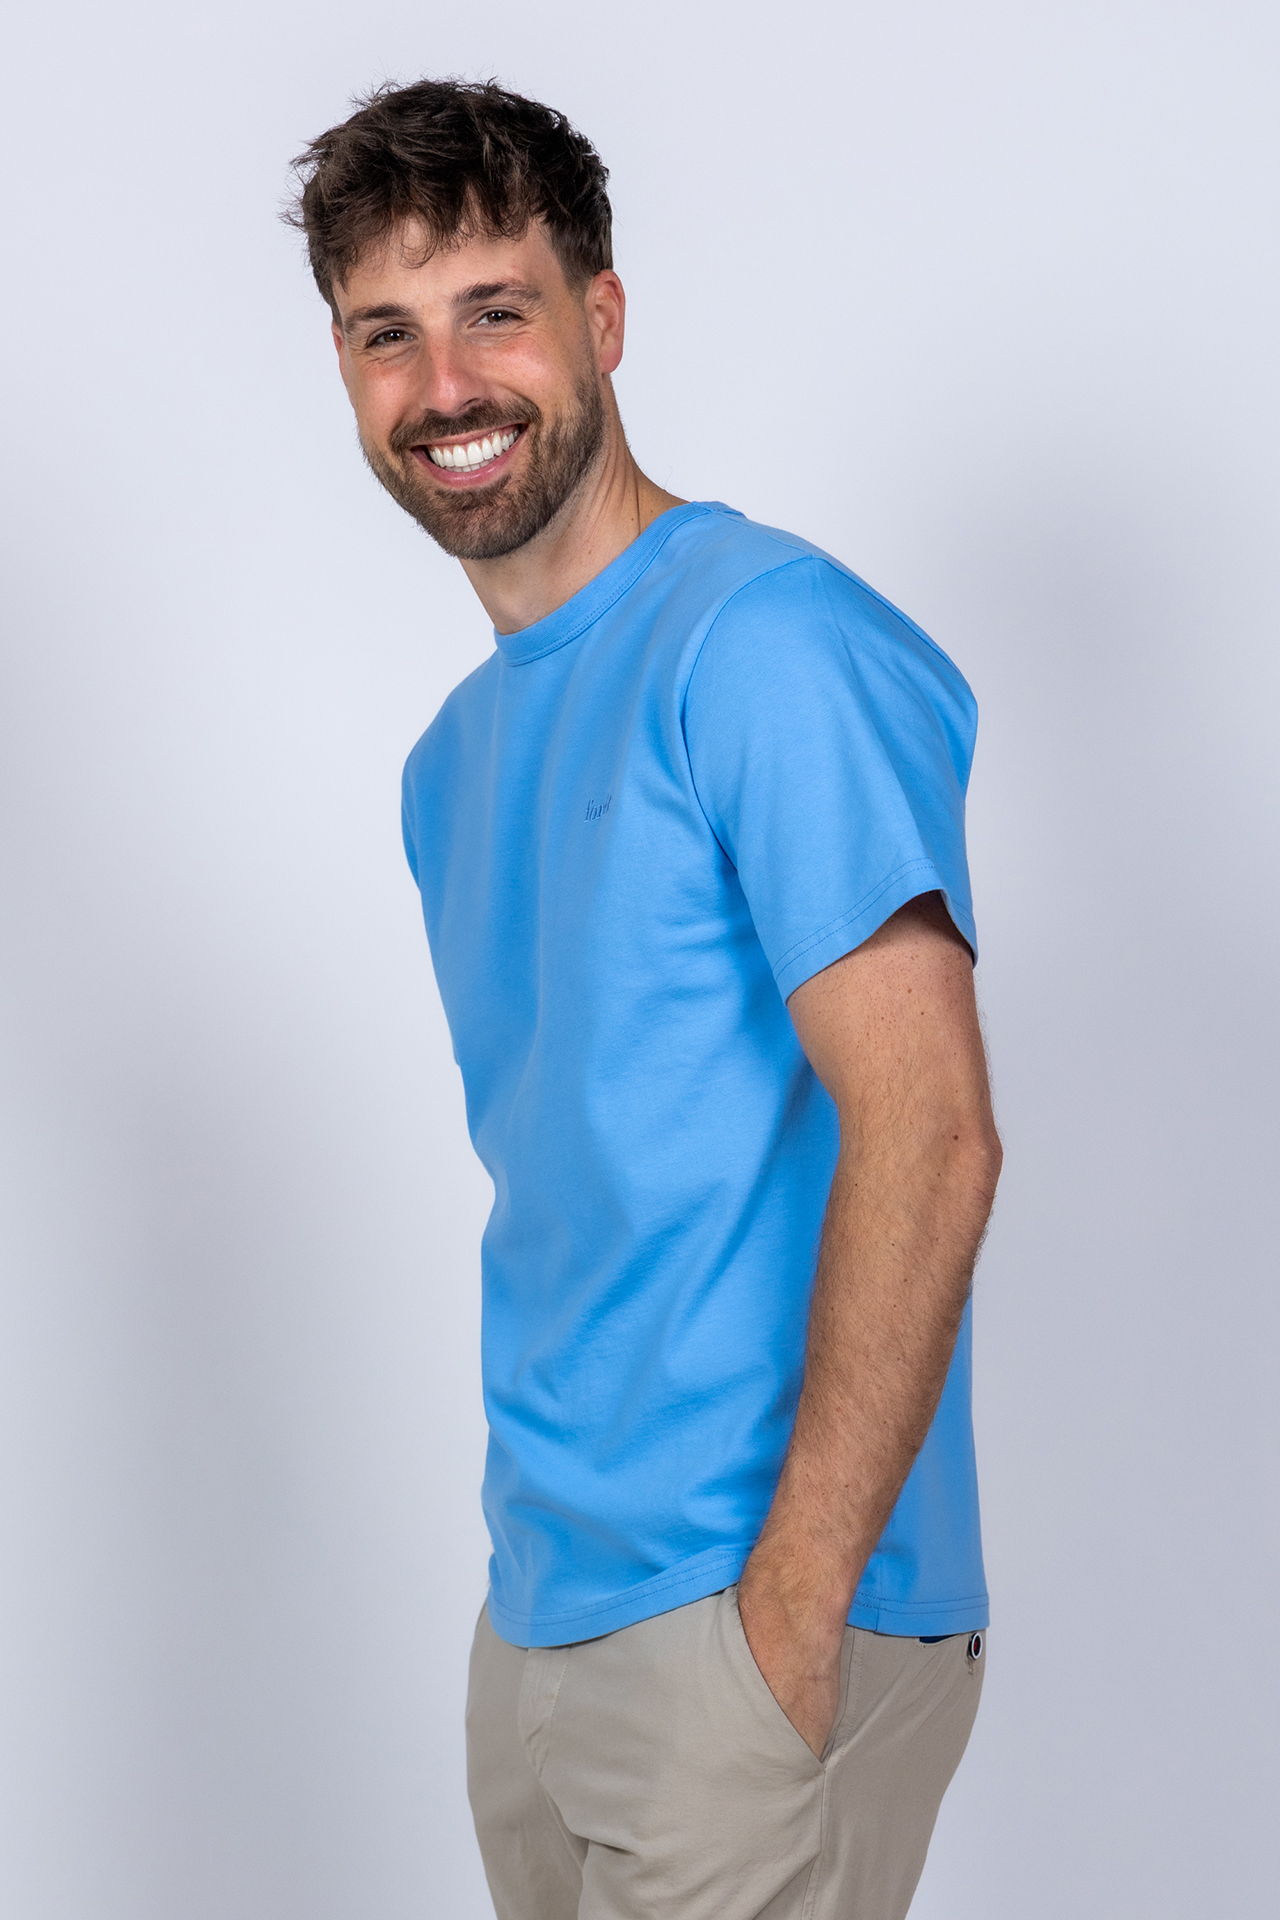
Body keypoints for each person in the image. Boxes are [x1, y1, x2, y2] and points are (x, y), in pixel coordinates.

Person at [289, 75, 1002, 1920]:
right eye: (387, 333)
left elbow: (933, 1130)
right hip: (542, 1631)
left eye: (495, 312)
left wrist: (790, 1617)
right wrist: (530, 1634)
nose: (446, 384)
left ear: (601, 319)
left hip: (751, 1628)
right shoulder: (450, 765)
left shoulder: (766, 645)